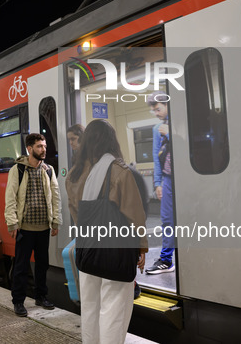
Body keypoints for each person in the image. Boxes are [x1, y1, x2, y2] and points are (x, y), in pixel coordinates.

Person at [66, 119, 148, 344]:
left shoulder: (73, 175)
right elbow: (134, 215)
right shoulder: (119, 171)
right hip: (115, 251)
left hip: (86, 250)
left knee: (90, 308)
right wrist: (141, 247)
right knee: (114, 311)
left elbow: (77, 216)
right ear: (111, 141)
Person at [4, 133, 62, 317]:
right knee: (21, 266)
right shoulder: (18, 169)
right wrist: (12, 223)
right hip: (25, 229)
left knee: (42, 264)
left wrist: (56, 221)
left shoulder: (48, 170)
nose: (43, 149)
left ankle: (41, 296)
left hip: (43, 227)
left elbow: (56, 197)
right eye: (39, 146)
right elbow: (10, 197)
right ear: (29, 149)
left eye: (44, 146)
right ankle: (18, 302)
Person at [145, 94, 175, 274]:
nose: (156, 113)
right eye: (154, 110)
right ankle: (166, 260)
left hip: (185, 178)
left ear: (167, 105)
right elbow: (157, 158)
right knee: (167, 220)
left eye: (158, 109)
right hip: (168, 179)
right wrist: (158, 183)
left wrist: (170, 133)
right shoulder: (157, 129)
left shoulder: (181, 123)